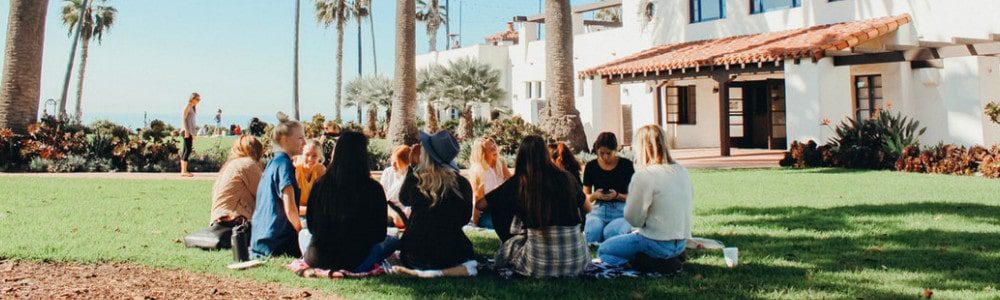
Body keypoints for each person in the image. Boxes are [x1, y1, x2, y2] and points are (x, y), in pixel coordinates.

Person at [479, 135, 591, 277]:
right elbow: (587, 208)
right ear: (545, 154)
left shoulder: (519, 183)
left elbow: (481, 205)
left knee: (497, 207)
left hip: (538, 263)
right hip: (577, 261)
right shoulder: (566, 178)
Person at [301, 131, 399, 271]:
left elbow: (311, 226)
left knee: (303, 234)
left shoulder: (320, 185)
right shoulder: (373, 188)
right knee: (393, 239)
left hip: (318, 259)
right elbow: (379, 234)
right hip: (356, 261)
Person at [598, 125, 692, 269]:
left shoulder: (645, 175)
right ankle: (665, 259)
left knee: (604, 250)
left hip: (657, 242)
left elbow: (633, 219)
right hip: (680, 244)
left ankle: (644, 263)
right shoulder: (682, 171)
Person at [393, 131, 477, 278]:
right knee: (469, 260)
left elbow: (403, 199)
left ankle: (429, 272)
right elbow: (464, 219)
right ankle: (443, 272)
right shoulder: (462, 183)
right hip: (451, 252)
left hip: (415, 252)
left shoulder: (416, 180)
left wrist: (412, 166)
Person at [250, 113, 306, 258]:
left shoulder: (273, 163)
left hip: (260, 239)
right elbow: (290, 208)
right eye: (300, 138)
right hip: (276, 244)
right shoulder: (284, 165)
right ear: (285, 139)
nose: (304, 142)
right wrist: (302, 232)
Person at [582, 132, 635, 245]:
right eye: (601, 153)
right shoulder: (591, 166)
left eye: (609, 153)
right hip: (598, 210)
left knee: (610, 235)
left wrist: (617, 195)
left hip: (620, 210)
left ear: (615, 150)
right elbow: (585, 198)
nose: (605, 157)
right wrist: (594, 195)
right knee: (592, 234)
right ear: (596, 151)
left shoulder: (626, 165)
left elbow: (634, 197)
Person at [209, 135, 264, 225]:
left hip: (219, 222)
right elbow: (266, 194)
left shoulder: (228, 167)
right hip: (234, 221)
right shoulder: (247, 164)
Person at [468, 137, 512, 229]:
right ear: (482, 154)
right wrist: (474, 223)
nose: (495, 149)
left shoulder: (501, 163)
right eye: (491, 149)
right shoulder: (477, 171)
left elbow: (512, 183)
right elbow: (477, 199)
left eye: (495, 147)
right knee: (503, 226)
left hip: (506, 208)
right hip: (488, 212)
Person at [380, 145, 412, 227]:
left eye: (396, 163)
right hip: (387, 211)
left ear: (406, 163)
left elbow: (408, 211)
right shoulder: (388, 172)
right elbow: (381, 197)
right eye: (391, 162)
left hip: (403, 215)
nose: (393, 165)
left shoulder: (411, 178)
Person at [295, 139, 327, 216]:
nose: (310, 159)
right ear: (301, 154)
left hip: (313, 215)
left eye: (314, 155)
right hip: (295, 216)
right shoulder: (295, 171)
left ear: (320, 157)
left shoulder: (320, 170)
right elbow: (289, 207)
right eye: (307, 154)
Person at [180, 93, 200, 177]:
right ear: (192, 98)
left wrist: (193, 134)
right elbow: (183, 118)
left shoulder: (193, 107)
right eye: (197, 99)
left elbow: (191, 122)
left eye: (199, 100)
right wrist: (187, 131)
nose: (198, 101)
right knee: (187, 150)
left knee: (186, 150)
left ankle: (183, 171)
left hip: (189, 131)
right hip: (186, 131)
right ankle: (184, 171)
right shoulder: (189, 105)